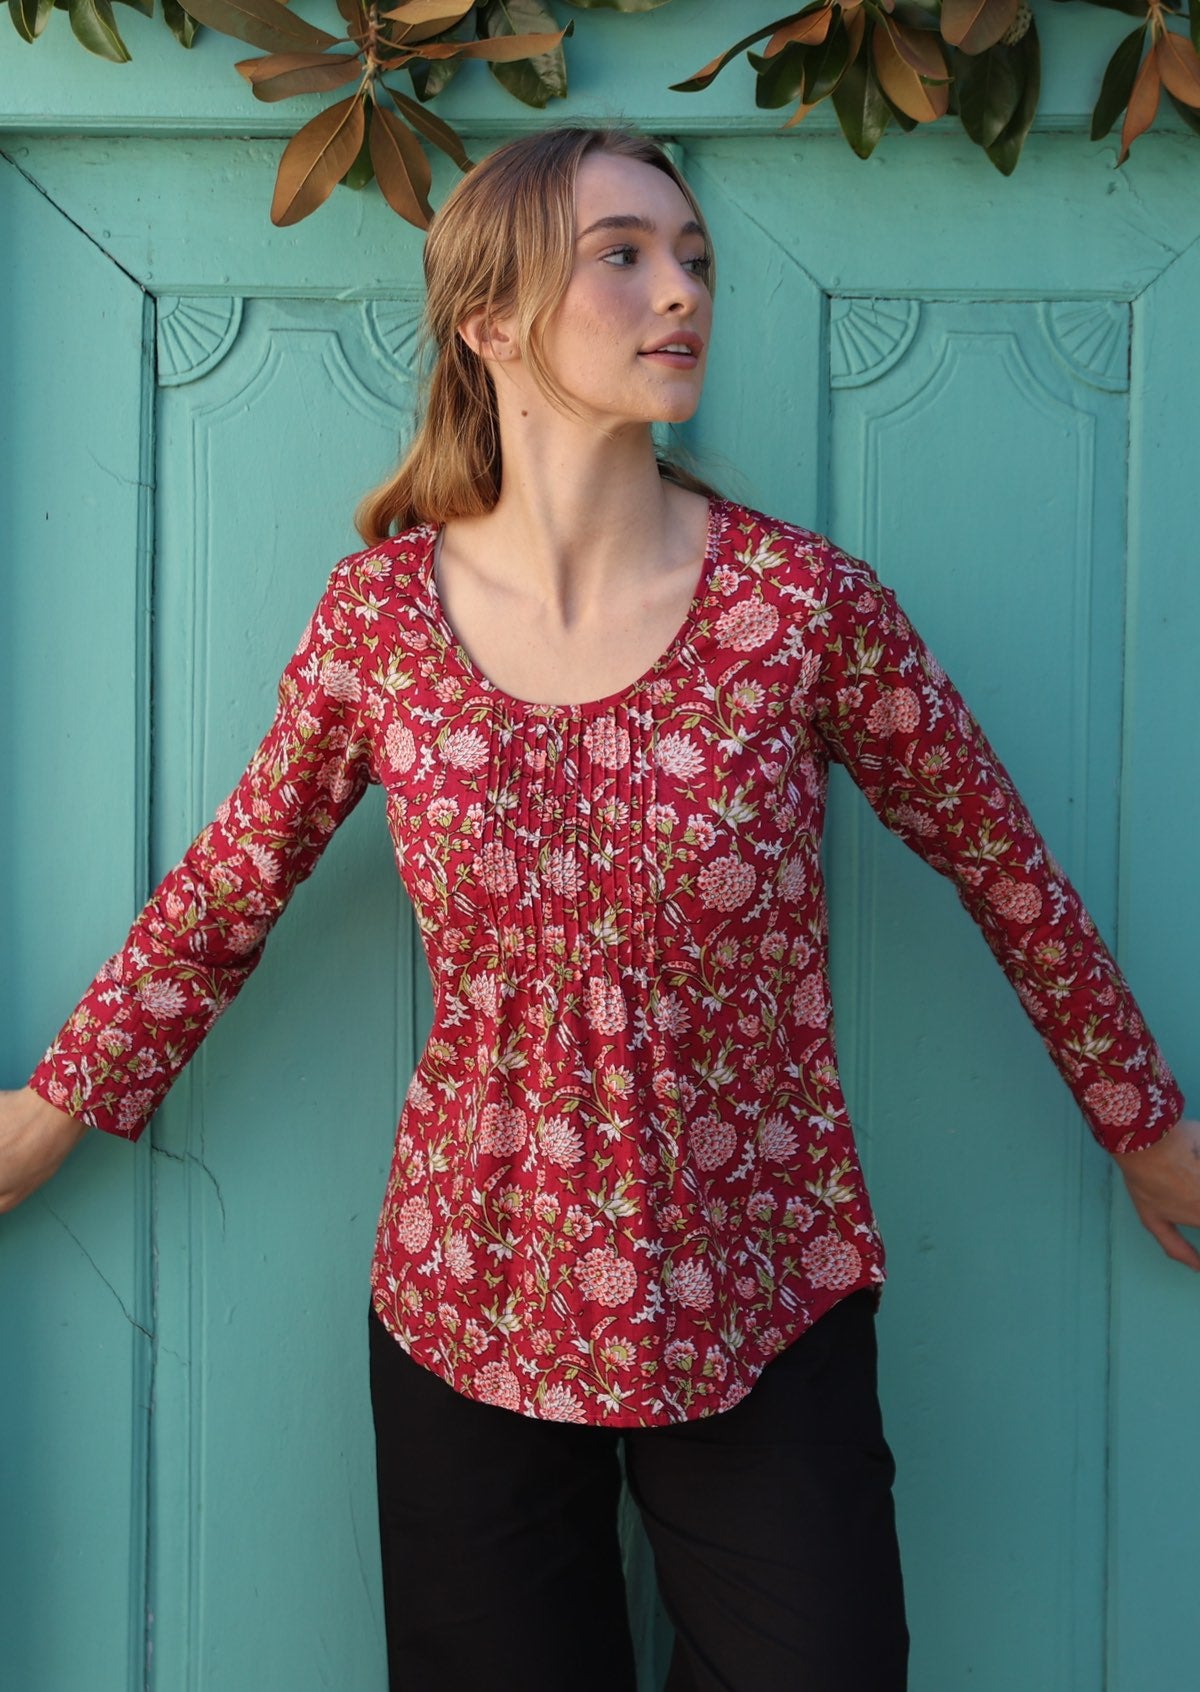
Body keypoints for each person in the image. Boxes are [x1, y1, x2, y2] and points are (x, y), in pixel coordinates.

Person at [2, 122, 1198, 1692]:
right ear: (491, 320)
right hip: (468, 1292)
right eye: (622, 254)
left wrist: (1141, 1115)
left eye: (694, 256)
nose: (680, 289)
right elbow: (235, 884)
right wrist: (56, 1103)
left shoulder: (804, 612)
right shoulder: (381, 624)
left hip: (758, 1288)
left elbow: (1001, 864)